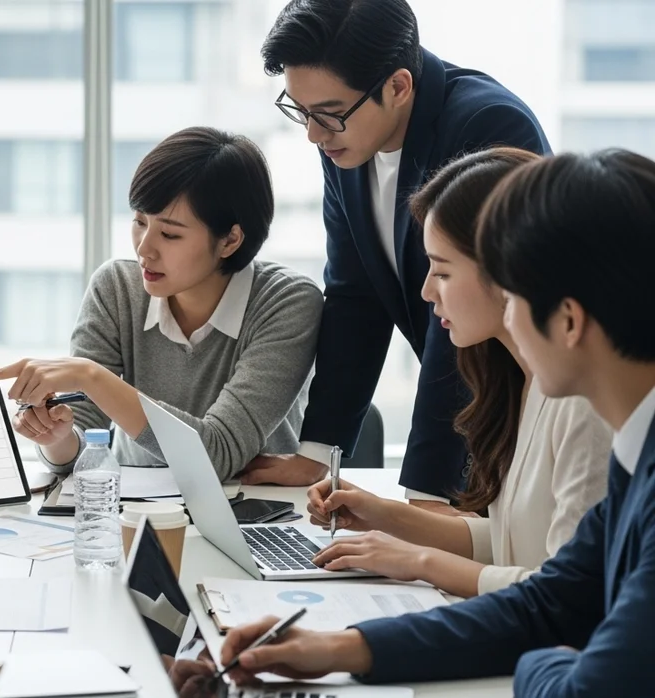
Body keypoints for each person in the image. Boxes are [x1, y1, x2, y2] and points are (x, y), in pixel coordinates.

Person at [220, 149, 655, 695]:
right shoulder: (634, 452)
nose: (427, 293)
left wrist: (548, 656)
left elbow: (584, 676)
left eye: (514, 293)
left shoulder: (613, 435)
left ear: (568, 319)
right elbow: (555, 601)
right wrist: (337, 648)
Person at [244, 0, 551, 509]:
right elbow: (353, 294)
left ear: (399, 86)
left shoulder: (488, 125)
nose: (313, 135)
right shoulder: (347, 139)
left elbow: (462, 318)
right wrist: (320, 450)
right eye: (300, 111)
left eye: (329, 115)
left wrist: (426, 492)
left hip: (521, 415)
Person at [303, 148, 611, 598]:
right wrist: (382, 515)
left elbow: (567, 593)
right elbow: (513, 542)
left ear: (508, 271)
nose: (427, 291)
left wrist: (419, 561)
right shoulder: (520, 381)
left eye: (442, 272)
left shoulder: (583, 403)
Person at [0, 128, 323, 481]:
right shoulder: (117, 289)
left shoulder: (287, 303)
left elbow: (217, 454)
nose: (144, 249)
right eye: (140, 222)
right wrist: (57, 439)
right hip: (136, 507)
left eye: (170, 234)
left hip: (254, 511)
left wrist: (89, 375)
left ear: (230, 239)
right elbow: (81, 445)